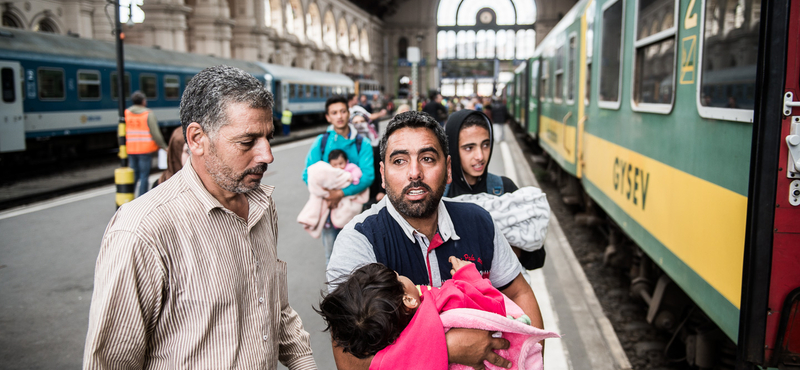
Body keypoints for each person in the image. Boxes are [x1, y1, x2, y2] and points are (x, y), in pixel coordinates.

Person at [84, 65, 317, 369]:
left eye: (268, 138)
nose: (267, 155)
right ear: (196, 139)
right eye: (247, 142)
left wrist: (305, 363)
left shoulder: (260, 206)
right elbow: (112, 362)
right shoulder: (142, 231)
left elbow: (274, 306)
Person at [326, 110, 544, 369]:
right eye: (399, 161)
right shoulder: (359, 241)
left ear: (448, 169)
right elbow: (348, 359)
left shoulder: (479, 222)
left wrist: (531, 358)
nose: (414, 172)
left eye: (428, 158)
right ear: (382, 175)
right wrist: (446, 347)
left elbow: (519, 292)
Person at [318, 259, 557, 370]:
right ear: (409, 300)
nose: (402, 274)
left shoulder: (387, 355)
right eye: (398, 276)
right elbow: (493, 306)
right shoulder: (445, 300)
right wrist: (468, 277)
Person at [444, 109, 548, 270]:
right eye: (469, 148)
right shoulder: (441, 196)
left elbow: (537, 259)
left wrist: (500, 248)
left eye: (485, 145)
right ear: (452, 150)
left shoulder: (503, 189)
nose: (480, 155)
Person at [303, 95, 375, 265]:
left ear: (348, 113)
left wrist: (341, 193)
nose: (340, 116)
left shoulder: (361, 143)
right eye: (334, 113)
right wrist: (329, 195)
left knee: (358, 257)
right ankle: (335, 291)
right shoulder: (321, 142)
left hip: (355, 210)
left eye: (343, 111)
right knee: (331, 256)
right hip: (329, 208)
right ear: (328, 117)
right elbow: (307, 174)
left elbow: (368, 175)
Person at [125, 90, 168, 197]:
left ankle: (129, 196)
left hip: (131, 149)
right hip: (145, 150)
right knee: (144, 176)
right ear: (143, 101)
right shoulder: (147, 114)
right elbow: (155, 133)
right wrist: (163, 146)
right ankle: (142, 199)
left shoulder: (126, 113)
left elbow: (120, 133)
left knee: (134, 174)